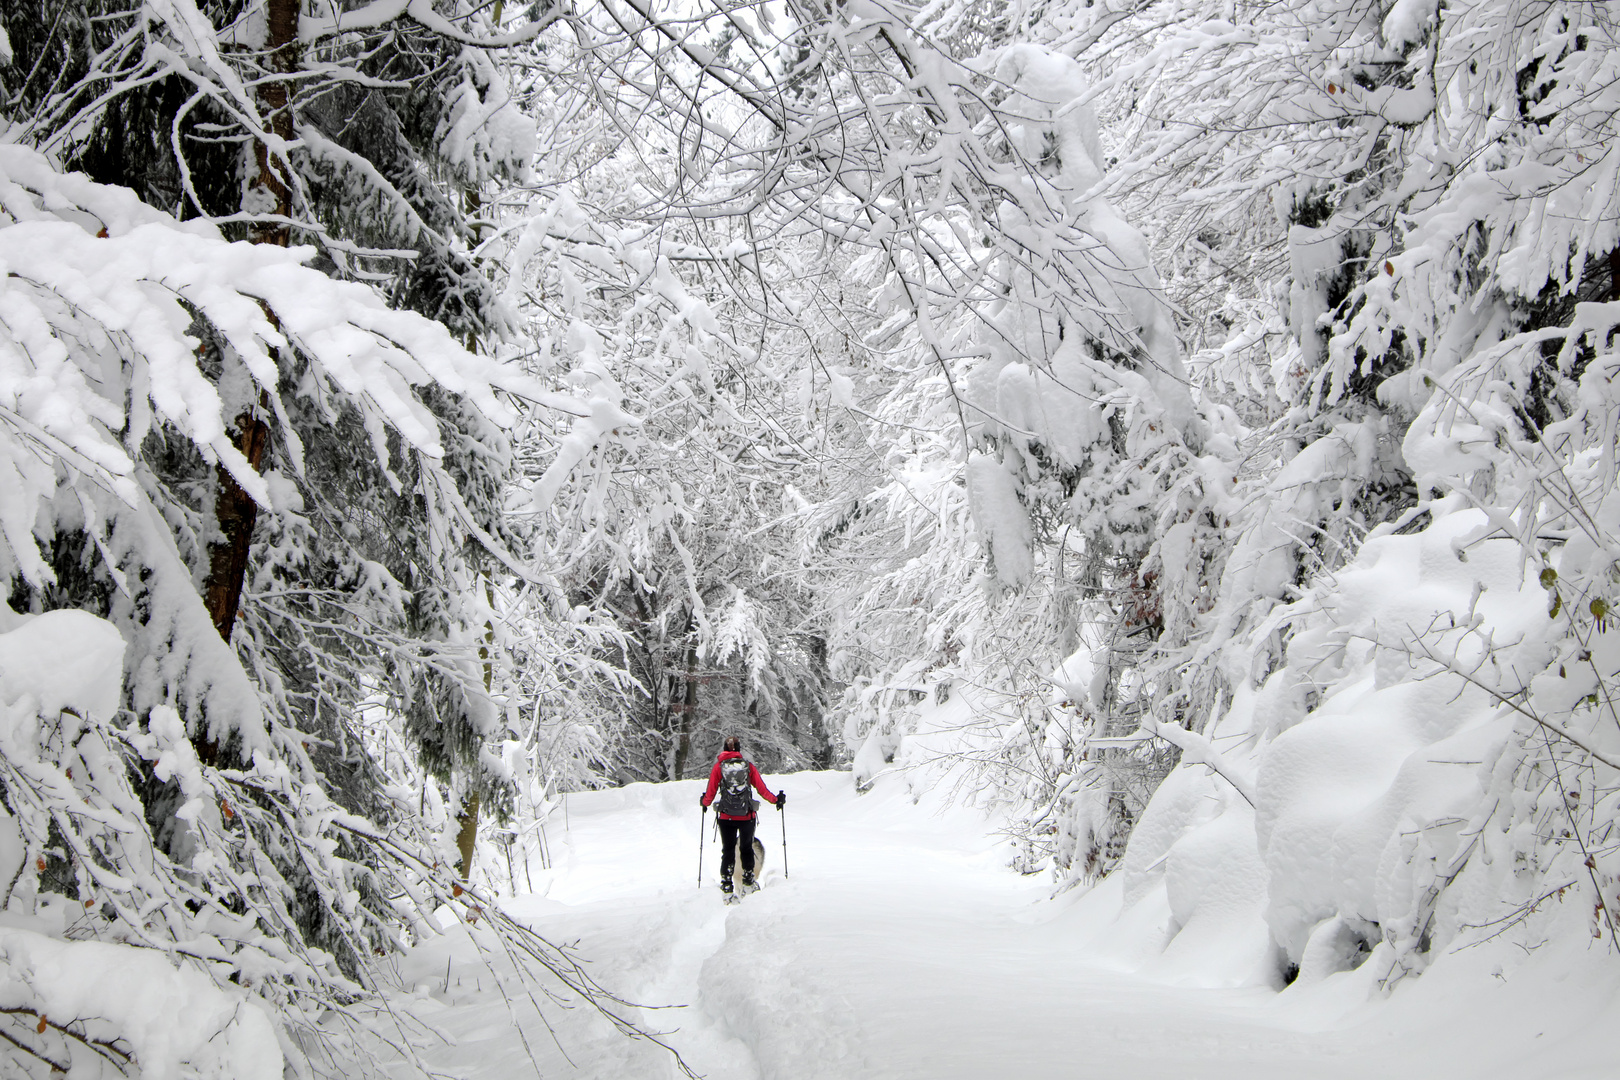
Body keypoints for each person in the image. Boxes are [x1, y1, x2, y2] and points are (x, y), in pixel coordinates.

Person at [700, 736, 784, 894]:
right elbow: (761, 789)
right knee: (746, 848)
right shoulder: (748, 767)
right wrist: (776, 800)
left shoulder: (719, 767)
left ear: (724, 748)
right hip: (747, 816)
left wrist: (704, 803)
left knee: (728, 850)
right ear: (739, 749)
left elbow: (710, 792)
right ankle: (748, 881)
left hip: (726, 817)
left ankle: (726, 883)